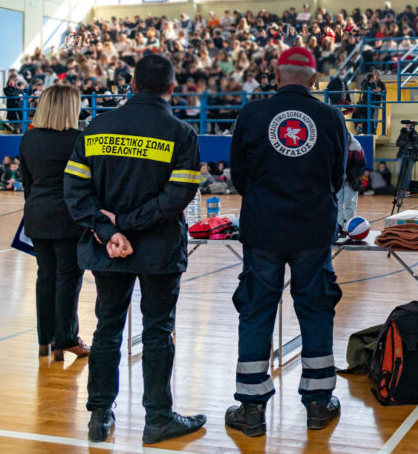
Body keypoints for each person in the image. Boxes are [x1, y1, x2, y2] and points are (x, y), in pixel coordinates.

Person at [64, 53, 206, 445]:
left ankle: (98, 417)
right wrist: (129, 225)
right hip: (158, 249)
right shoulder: (180, 133)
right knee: (158, 331)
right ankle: (158, 419)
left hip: (106, 248)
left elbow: (75, 190)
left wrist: (110, 228)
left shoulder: (96, 127)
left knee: (107, 329)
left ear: (131, 85)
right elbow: (178, 196)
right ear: (172, 89)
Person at [226, 46, 348, 437]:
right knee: (315, 308)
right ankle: (317, 403)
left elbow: (239, 176)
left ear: (276, 77)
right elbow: (338, 175)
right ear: (315, 81)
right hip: (312, 230)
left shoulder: (252, 114)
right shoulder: (330, 117)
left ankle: (251, 409)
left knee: (256, 309)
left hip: (262, 229)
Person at [19, 83, 90, 362]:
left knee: (45, 275)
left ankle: (44, 339)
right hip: (69, 216)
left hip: (36, 212)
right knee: (68, 278)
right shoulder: (78, 138)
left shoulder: (29, 139)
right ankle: (67, 339)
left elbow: (27, 182)